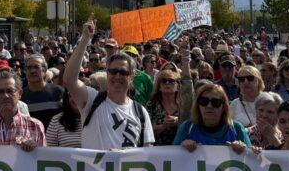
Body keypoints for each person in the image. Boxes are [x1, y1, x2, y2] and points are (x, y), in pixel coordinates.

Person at [64, 20, 155, 150]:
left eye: (123, 72)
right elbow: (69, 80)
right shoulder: (92, 100)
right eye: (113, 71)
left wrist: (124, 154)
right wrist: (85, 40)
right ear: (107, 73)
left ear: (131, 78)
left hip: (126, 170)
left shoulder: (140, 112)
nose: (117, 76)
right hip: (92, 170)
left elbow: (148, 152)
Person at [173, 84, 252, 154]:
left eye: (215, 102)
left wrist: (243, 149)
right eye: (204, 101)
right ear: (198, 105)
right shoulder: (187, 128)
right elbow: (172, 158)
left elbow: (251, 159)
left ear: (224, 107)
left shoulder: (236, 129)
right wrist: (181, 147)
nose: (209, 106)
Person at [146, 67, 188, 146]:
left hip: (181, 151)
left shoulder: (184, 106)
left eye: (171, 81)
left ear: (178, 87)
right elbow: (146, 130)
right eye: (164, 81)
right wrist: (163, 126)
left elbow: (192, 126)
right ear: (159, 87)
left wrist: (179, 122)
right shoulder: (152, 105)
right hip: (157, 152)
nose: (167, 83)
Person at [21, 54, 64, 127]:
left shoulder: (58, 92)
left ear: (44, 70)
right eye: (29, 68)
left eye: (36, 67)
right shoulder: (20, 95)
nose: (32, 71)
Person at [230, 64, 266, 136]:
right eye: (241, 79)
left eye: (250, 78)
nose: (245, 82)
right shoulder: (234, 104)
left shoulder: (268, 101)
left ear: (258, 81)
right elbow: (229, 130)